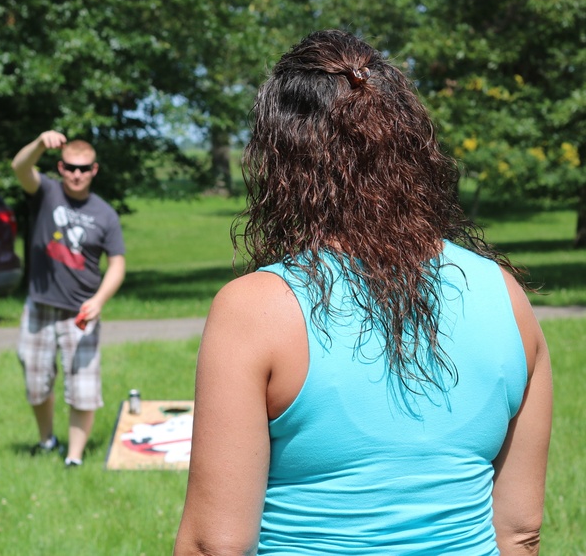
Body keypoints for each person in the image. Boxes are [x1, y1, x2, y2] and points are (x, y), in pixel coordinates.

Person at [174, 30, 552, 555]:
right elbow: (519, 532)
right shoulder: (507, 297)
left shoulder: (255, 309)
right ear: (412, 146)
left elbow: (214, 544)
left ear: (282, 160)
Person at [11, 130, 126, 467]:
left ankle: (74, 458)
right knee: (35, 383)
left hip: (81, 312)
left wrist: (100, 300)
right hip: (40, 306)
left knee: (83, 387)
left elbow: (117, 264)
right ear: (60, 168)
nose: (77, 174)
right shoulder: (46, 193)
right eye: (71, 168)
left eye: (84, 168)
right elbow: (19, 168)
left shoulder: (105, 214)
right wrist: (36, 144)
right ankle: (47, 441)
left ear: (94, 170)